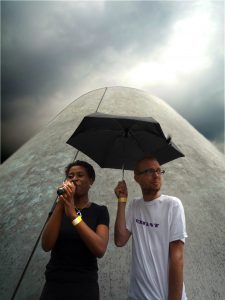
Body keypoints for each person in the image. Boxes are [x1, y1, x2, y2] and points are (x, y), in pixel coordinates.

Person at [114, 156, 187, 300]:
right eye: (149, 171)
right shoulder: (135, 205)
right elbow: (120, 240)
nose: (156, 175)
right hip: (137, 296)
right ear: (137, 178)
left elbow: (177, 257)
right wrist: (122, 201)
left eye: (159, 171)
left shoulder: (172, 205)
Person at [40, 160, 109, 300]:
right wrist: (61, 204)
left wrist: (73, 215)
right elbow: (46, 245)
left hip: (85, 286)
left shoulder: (99, 211)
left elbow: (100, 249)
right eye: (70, 176)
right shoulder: (58, 210)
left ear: (91, 181)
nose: (74, 179)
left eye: (80, 175)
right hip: (54, 285)